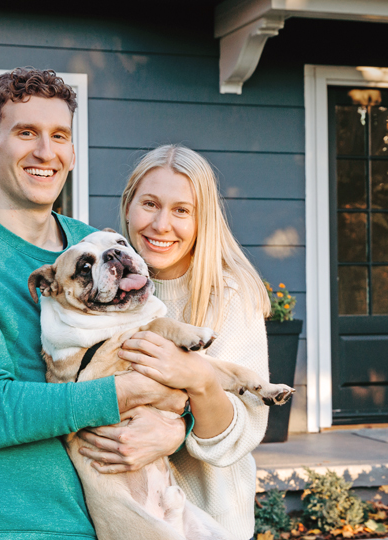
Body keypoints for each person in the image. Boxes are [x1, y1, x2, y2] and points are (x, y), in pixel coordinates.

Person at [0, 68, 188, 539]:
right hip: (7, 525)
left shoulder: (94, 248)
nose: (45, 152)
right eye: (25, 132)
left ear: (72, 152)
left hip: (121, 519)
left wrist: (176, 427)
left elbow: (164, 356)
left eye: (59, 136)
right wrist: (135, 392)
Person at [80, 144, 272, 540]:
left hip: (213, 521)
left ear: (203, 220)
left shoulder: (231, 294)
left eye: (182, 210)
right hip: (129, 521)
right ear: (128, 206)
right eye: (149, 203)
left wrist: (193, 389)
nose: (161, 224)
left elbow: (243, 430)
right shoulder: (96, 287)